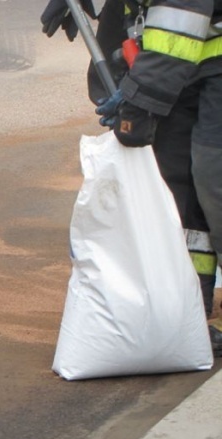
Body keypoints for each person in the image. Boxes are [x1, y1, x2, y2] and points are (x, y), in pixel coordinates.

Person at [41, 0, 222, 355]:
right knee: (174, 186)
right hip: (181, 61)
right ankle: (186, 311)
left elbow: (180, 17)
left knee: (214, 175)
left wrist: (142, 97)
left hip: (190, 48)